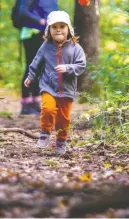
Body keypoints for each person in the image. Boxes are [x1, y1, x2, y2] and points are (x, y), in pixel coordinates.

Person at [24, 11, 86, 155]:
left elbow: (81, 65)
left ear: (68, 29)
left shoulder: (76, 48)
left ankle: (61, 141)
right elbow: (36, 61)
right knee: (47, 109)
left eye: (62, 26)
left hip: (67, 89)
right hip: (48, 87)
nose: (58, 29)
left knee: (63, 119)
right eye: (54, 27)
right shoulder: (46, 46)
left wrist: (68, 68)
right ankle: (45, 133)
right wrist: (31, 76)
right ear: (49, 30)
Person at [19, 0, 59, 115]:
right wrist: (40, 21)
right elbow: (23, 11)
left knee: (41, 67)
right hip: (31, 33)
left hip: (45, 34)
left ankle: (35, 101)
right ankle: (25, 103)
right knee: (31, 66)